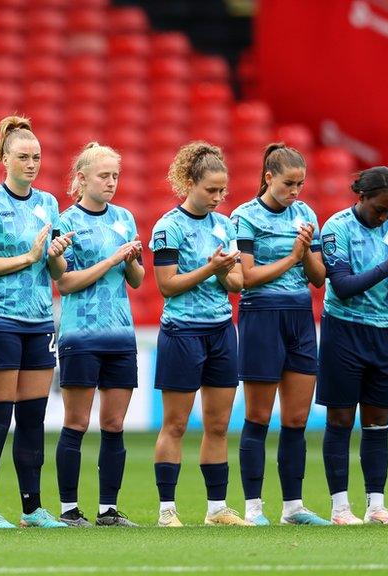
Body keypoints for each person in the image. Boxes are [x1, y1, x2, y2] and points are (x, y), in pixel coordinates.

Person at [0, 116, 72, 529]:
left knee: (33, 416)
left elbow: (58, 270)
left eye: (37, 158)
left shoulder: (49, 203)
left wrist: (55, 253)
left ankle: (32, 509)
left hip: (39, 319)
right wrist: (28, 258)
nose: (31, 164)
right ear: (4, 158)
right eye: (23, 157)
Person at [149, 141, 249, 528]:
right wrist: (211, 269)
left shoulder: (226, 226)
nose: (218, 197)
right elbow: (167, 286)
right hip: (182, 332)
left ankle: (217, 509)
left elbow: (238, 282)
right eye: (211, 190)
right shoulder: (167, 227)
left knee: (219, 426)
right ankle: (166, 510)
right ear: (189, 182)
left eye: (222, 191)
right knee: (174, 424)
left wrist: (224, 270)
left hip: (221, 331)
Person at [231, 144, 330, 526]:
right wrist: (291, 256)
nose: (296, 191)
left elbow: (319, 277)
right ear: (269, 178)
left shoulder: (306, 214)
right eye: (289, 183)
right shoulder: (244, 218)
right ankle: (254, 508)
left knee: (296, 419)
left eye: (301, 184)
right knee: (258, 416)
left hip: (300, 317)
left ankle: (294, 507)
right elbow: (247, 279)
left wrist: (305, 253)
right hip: (262, 317)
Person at [316, 166, 388, 525]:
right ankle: (340, 507)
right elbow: (342, 286)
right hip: (343, 331)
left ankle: (376, 506)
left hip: (382, 332)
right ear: (362, 197)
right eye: (379, 209)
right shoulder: (337, 227)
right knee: (341, 418)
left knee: (378, 422)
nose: (384, 216)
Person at [54, 143, 144, 527]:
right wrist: (111, 260)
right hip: (80, 333)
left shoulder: (125, 218)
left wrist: (132, 259)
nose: (111, 183)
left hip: (120, 333)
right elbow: (66, 282)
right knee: (76, 422)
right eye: (104, 176)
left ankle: (108, 509)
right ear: (82, 179)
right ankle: (69, 509)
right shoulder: (65, 222)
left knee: (114, 425)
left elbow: (137, 280)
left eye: (115, 176)